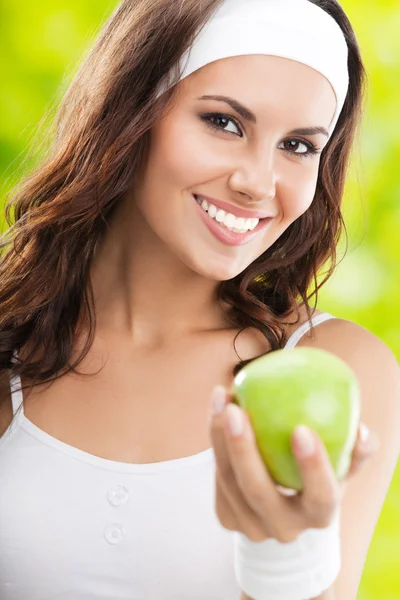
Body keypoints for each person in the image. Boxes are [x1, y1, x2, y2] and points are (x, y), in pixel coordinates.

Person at [0, 0, 399, 599]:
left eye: (297, 146)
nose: (258, 182)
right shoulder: (13, 343)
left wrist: (286, 561)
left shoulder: (340, 367)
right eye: (225, 123)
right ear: (129, 112)